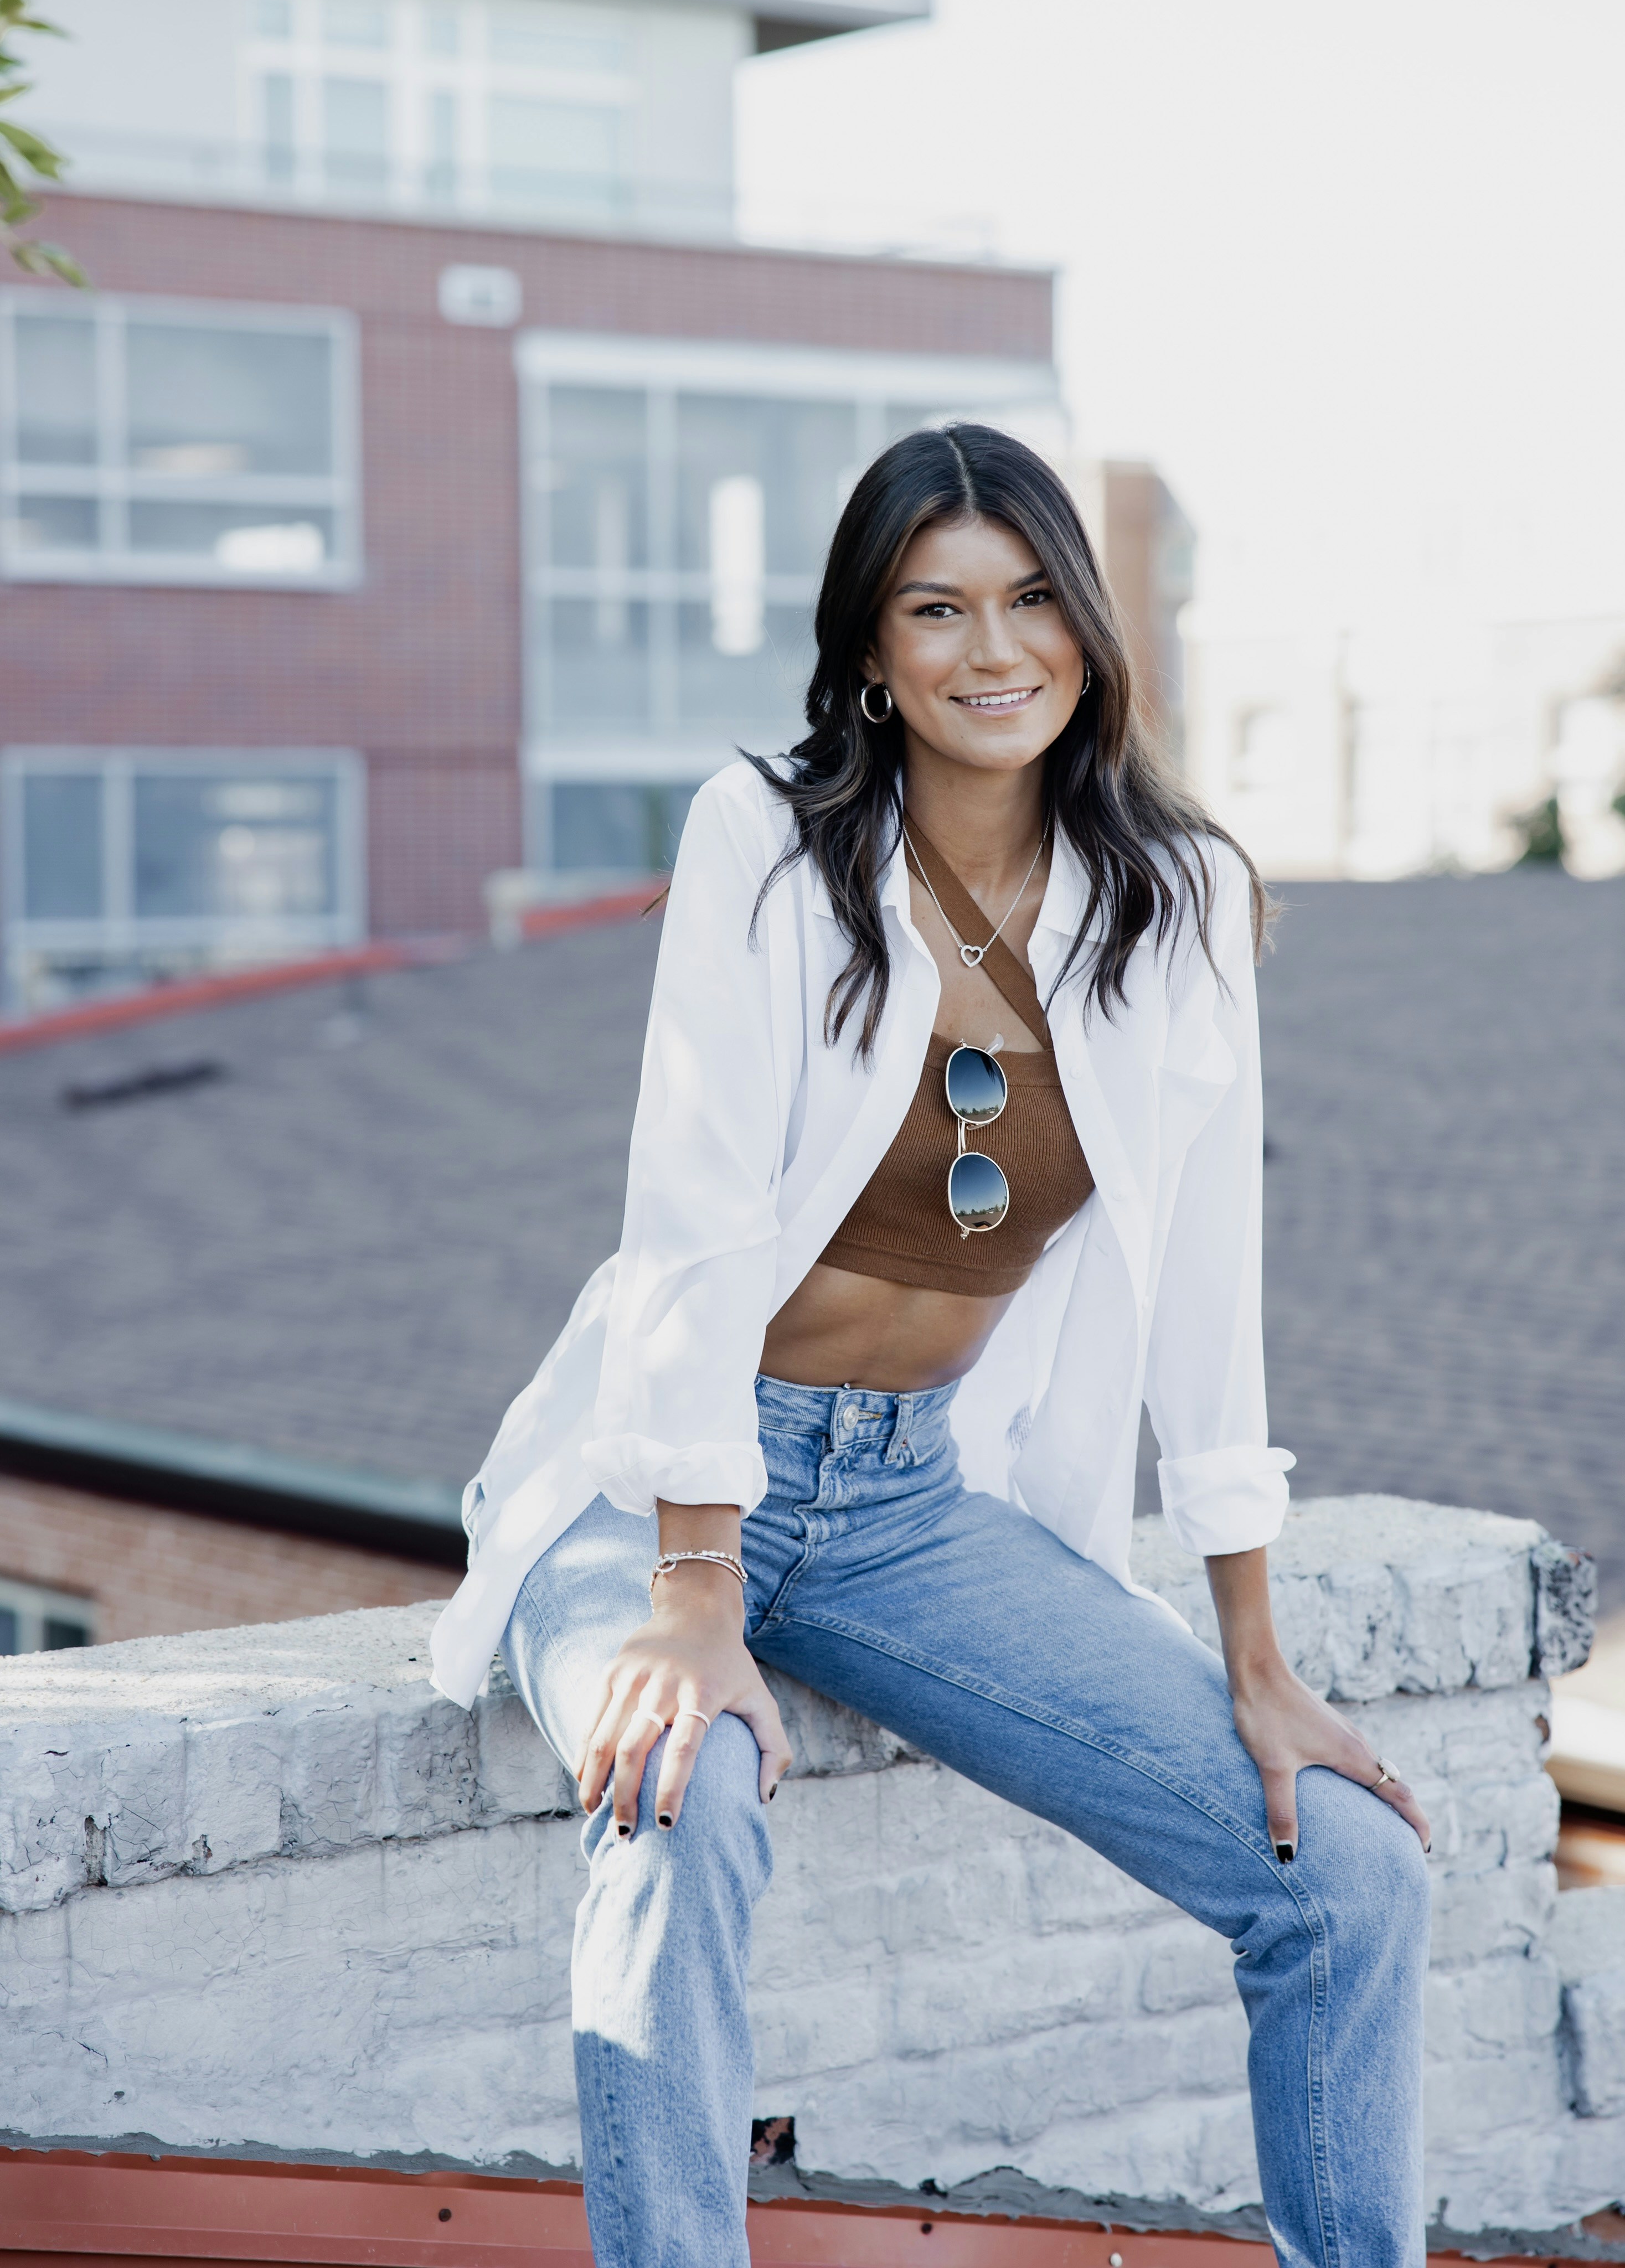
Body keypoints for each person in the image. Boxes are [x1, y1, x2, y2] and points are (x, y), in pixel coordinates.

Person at [430, 425, 1431, 2268]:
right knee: (681, 1790)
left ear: (1091, 627)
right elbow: (698, 1220)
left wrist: (1258, 1659)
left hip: (907, 1505)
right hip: (654, 1482)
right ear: (871, 653)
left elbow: (1217, 1297)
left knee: (1351, 1872)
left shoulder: (1181, 899)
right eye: (938, 607)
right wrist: (692, 1596)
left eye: (1036, 597)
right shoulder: (770, 839)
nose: (996, 649)